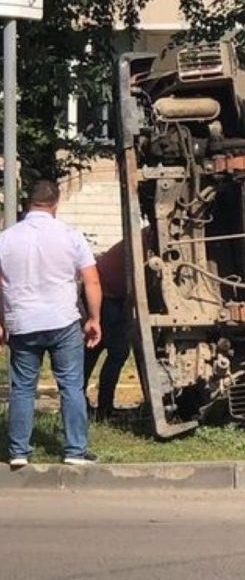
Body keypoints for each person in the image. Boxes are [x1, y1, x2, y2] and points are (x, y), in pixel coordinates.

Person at [0, 180, 102, 468]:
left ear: (27, 203)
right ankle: (75, 451)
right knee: (71, 385)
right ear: (55, 204)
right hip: (63, 321)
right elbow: (92, 279)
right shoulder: (71, 236)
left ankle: (18, 451)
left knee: (22, 388)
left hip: (22, 322)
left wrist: (1, 320)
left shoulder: (6, 239)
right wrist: (94, 319)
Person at [84, 235, 134, 418]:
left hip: (108, 292)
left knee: (96, 348)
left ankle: (85, 402)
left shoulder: (146, 235)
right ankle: (103, 407)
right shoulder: (149, 239)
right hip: (107, 294)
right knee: (115, 350)